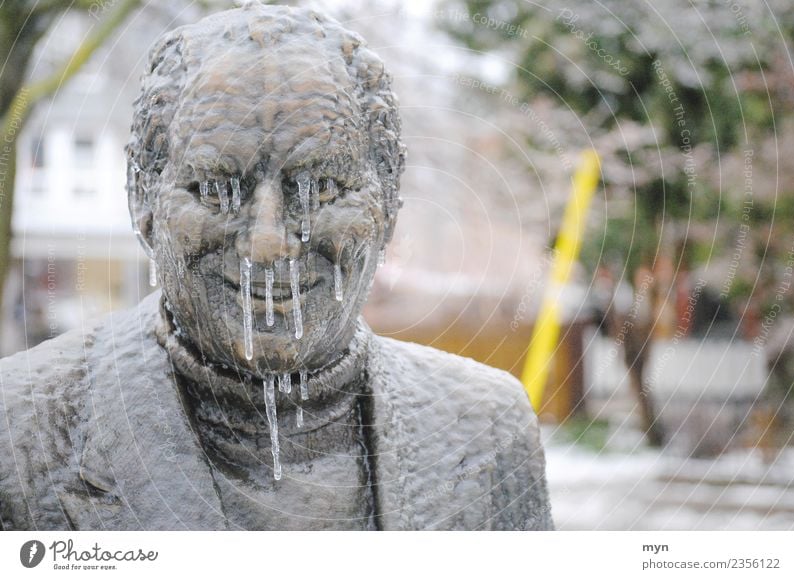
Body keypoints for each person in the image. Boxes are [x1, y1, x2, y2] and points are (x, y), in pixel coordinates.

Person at [0, 4, 553, 531]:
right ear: (143, 202)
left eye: (321, 189)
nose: (268, 245)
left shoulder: (486, 428)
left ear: (386, 204)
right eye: (216, 189)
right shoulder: (19, 424)